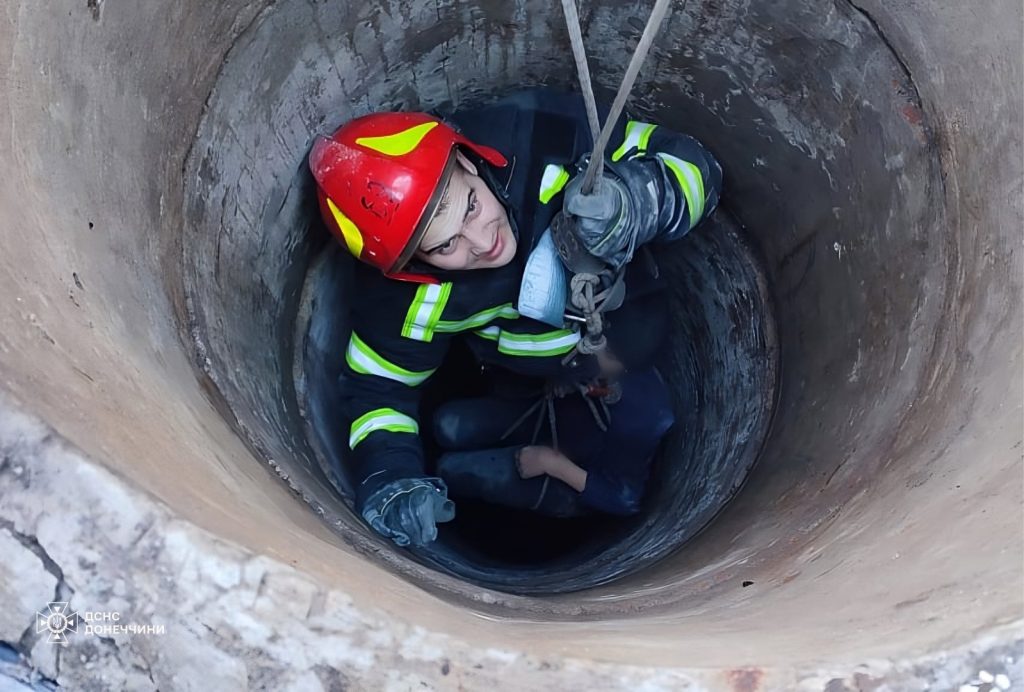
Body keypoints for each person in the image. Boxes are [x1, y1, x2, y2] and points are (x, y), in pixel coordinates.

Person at [309, 89, 722, 547]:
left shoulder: (543, 137)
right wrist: (389, 473)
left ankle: (558, 493)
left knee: (457, 455)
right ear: (411, 264)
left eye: (469, 205)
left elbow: (696, 167)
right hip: (524, 375)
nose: (483, 241)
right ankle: (531, 419)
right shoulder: (402, 299)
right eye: (445, 246)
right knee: (445, 427)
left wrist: (636, 202)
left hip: (620, 341)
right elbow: (377, 388)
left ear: (466, 159)